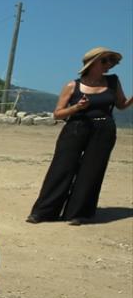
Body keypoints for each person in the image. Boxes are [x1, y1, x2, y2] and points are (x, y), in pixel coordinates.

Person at [27, 47, 131, 225]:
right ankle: (43, 212)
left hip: (104, 130)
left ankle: (78, 213)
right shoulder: (72, 85)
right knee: (61, 168)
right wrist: (76, 108)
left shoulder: (113, 82)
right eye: (105, 61)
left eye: (112, 61)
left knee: (92, 171)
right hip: (75, 128)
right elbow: (57, 114)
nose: (110, 65)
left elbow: (121, 104)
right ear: (93, 63)